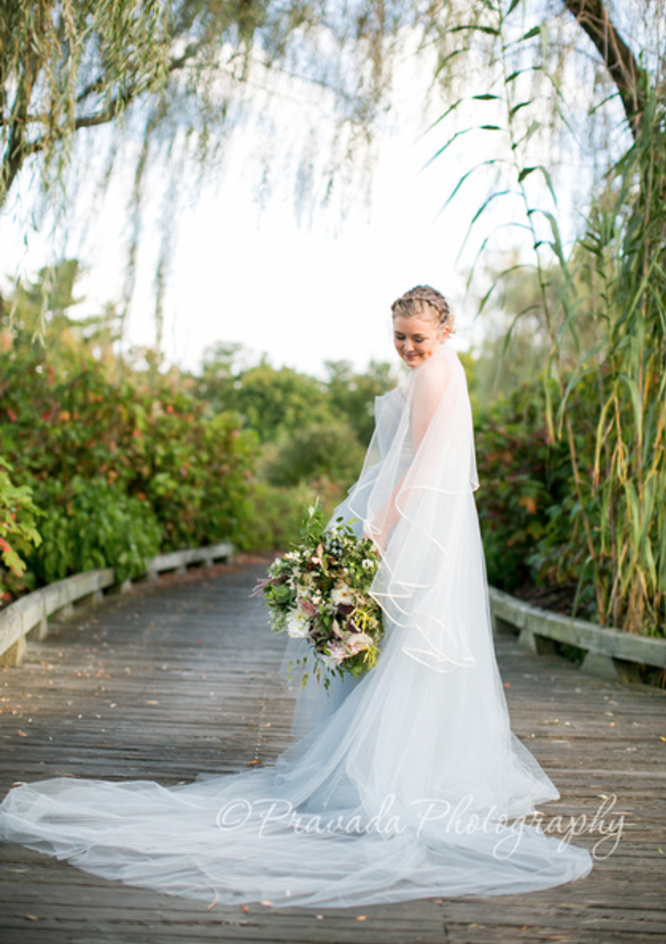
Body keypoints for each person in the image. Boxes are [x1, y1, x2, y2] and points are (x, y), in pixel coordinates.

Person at [0, 285, 593, 908]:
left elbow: (416, 466)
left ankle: (386, 771)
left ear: (445, 331)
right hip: (434, 524)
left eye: (418, 336)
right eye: (399, 336)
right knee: (406, 646)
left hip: (413, 524)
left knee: (400, 645)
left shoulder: (431, 377)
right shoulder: (449, 370)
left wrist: (379, 529)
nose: (408, 347)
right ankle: (419, 764)